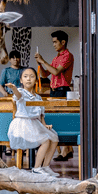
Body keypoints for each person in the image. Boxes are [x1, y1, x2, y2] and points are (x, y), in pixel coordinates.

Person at [4, 68, 60, 176]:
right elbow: (18, 95)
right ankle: (37, 168)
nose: (28, 79)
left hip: (35, 123)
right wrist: (14, 88)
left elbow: (41, 115)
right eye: (25, 76)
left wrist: (45, 125)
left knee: (54, 138)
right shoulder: (21, 92)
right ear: (21, 80)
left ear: (36, 80)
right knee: (45, 140)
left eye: (32, 76)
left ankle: (45, 166)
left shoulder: (38, 97)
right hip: (23, 124)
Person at [34, 30, 74, 161]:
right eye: (53, 42)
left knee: (63, 118)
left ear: (63, 42)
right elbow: (45, 74)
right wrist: (40, 63)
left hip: (62, 90)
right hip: (54, 90)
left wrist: (43, 61)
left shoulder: (68, 56)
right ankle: (66, 149)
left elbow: (56, 72)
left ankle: (65, 150)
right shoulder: (56, 58)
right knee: (55, 118)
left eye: (55, 42)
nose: (54, 45)